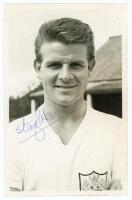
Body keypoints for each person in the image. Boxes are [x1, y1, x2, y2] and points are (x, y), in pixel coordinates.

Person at [9, 18, 127, 192]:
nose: (65, 75)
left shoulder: (120, 132)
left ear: (90, 66)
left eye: (76, 65)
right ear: (38, 68)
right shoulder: (12, 137)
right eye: (54, 65)